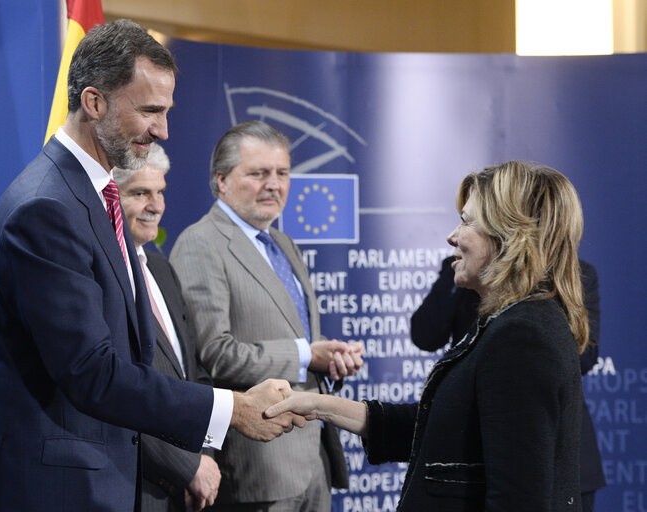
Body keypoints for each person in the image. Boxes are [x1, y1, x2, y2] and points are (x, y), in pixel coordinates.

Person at [0, 20, 302, 512]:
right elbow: (92, 373)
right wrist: (233, 407)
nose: (163, 130)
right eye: (150, 111)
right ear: (94, 103)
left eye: (166, 111)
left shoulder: (95, 195)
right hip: (45, 491)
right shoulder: (46, 208)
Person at [267, 160, 589, 511]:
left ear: (509, 236)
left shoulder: (523, 338)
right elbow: (444, 431)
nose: (452, 235)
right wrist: (319, 405)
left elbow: (519, 499)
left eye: (466, 221)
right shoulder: (512, 323)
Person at [169, 120, 364, 510]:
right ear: (222, 180)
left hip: (312, 461)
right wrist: (307, 355)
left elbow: (293, 337)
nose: (273, 184)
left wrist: (328, 360)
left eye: (282, 173)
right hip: (256, 470)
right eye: (258, 173)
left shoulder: (283, 242)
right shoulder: (200, 243)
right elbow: (214, 353)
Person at [411, 256, 606, 510]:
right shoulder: (463, 269)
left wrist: (517, 351)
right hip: (473, 456)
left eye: (467, 221)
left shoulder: (575, 272)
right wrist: (458, 276)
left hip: (562, 455)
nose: (454, 236)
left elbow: (585, 356)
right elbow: (425, 335)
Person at [114, 143, 222, 512]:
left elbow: (196, 373)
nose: (156, 206)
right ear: (111, 197)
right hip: (134, 487)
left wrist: (203, 455)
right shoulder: (103, 278)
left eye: (159, 192)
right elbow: (114, 393)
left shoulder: (161, 270)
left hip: (185, 492)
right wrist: (187, 466)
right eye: (140, 193)